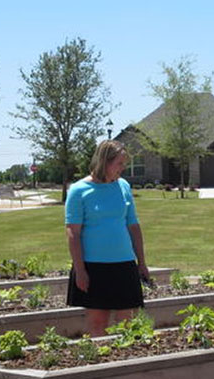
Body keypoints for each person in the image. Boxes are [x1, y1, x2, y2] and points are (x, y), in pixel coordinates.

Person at [65, 139, 152, 336]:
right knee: (98, 324)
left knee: (127, 324)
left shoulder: (123, 187)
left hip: (124, 263)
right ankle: (100, 365)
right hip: (93, 267)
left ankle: (125, 364)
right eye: (119, 164)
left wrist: (142, 262)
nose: (123, 168)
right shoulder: (79, 190)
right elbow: (73, 233)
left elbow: (133, 226)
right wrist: (80, 270)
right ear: (104, 161)